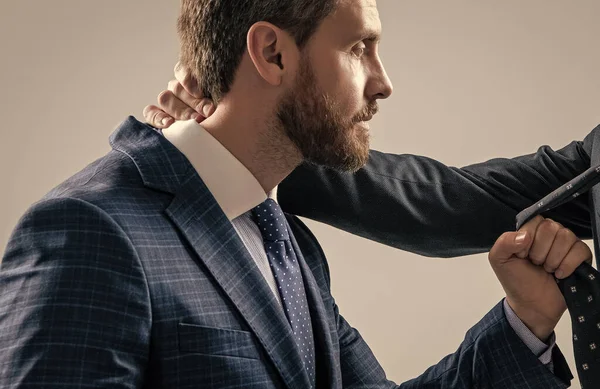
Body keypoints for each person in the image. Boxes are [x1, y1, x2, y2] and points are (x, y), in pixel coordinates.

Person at [0, 0, 589, 387]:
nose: (383, 83)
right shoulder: (89, 231)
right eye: (359, 48)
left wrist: (525, 321)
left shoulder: (284, 242)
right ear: (272, 53)